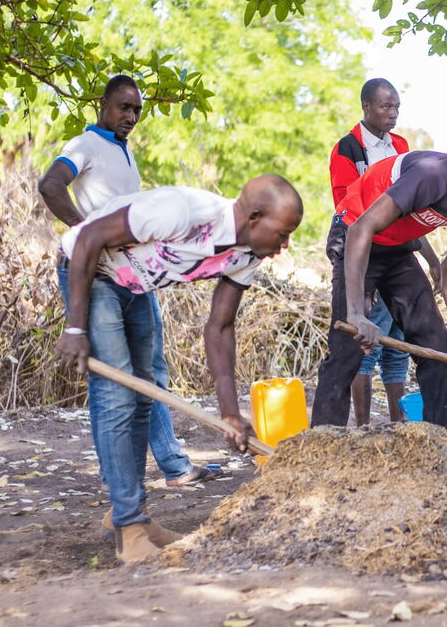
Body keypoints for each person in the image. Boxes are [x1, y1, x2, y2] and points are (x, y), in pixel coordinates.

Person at [54, 175, 303, 563]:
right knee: (116, 397)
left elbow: (220, 326)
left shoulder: (248, 255)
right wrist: (75, 326)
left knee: (142, 398)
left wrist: (230, 414)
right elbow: (89, 237)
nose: (284, 245)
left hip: (134, 285)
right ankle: (129, 527)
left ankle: (128, 513)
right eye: (283, 233)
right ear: (254, 216)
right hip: (90, 270)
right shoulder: (184, 211)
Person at [37, 75, 220, 488]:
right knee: (113, 382)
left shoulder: (124, 152)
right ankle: (120, 482)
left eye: (137, 110)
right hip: (94, 273)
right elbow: (50, 185)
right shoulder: (85, 145)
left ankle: (173, 465)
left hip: (130, 275)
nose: (131, 116)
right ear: (103, 105)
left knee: (150, 371)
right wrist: (86, 232)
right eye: (123, 107)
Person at [312, 126, 447, 428]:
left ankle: (444, 441)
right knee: (348, 346)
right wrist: (357, 313)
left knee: (436, 346)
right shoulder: (431, 174)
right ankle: (323, 445)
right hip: (355, 233)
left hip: (396, 249)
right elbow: (361, 230)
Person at [328, 78, 441, 424]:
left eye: (396, 107)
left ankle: (405, 425)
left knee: (408, 338)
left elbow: (410, 208)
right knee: (357, 342)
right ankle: (352, 426)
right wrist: (365, 282)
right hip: (362, 246)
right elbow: (349, 209)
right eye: (385, 107)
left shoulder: (401, 145)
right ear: (366, 107)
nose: (392, 114)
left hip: (398, 248)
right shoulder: (348, 148)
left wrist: (430, 257)